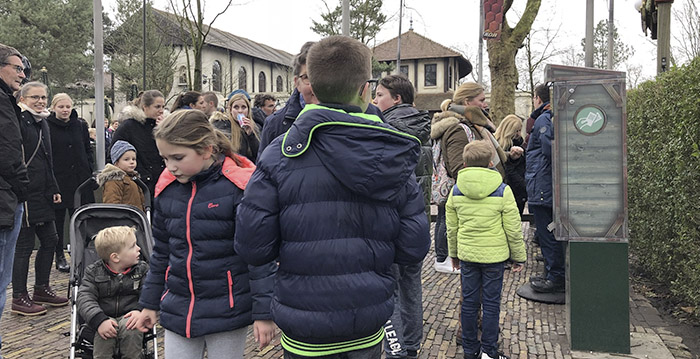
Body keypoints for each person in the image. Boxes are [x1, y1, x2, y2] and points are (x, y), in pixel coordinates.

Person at [235, 35, 430, 358]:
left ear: (310, 83)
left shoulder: (278, 154)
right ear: (365, 88)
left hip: (304, 324)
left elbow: (252, 245)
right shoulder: (393, 154)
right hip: (366, 321)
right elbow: (413, 247)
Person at [131, 110, 276, 359]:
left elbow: (258, 256)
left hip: (227, 308)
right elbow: (162, 253)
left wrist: (264, 313)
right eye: (165, 159)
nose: (170, 167)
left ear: (207, 150)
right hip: (179, 306)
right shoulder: (167, 190)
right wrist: (150, 303)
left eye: (178, 157)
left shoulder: (238, 188)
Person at [445, 140, 526, 359]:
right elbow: (513, 229)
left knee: (470, 303)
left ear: (464, 164)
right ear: (491, 163)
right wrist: (518, 256)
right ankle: (489, 351)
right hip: (494, 257)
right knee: (491, 304)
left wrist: (453, 254)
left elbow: (452, 228)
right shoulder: (502, 190)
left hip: (468, 255)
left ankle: (470, 351)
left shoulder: (456, 191)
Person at [372, 74, 431, 359]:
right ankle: (411, 345)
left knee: (390, 288)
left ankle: (394, 350)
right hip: (418, 220)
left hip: (392, 221)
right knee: (412, 285)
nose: (374, 100)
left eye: (380, 94)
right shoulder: (425, 126)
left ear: (396, 98)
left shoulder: (385, 130)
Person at [430, 82, 507, 274]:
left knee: (445, 218)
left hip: (460, 185)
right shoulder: (458, 128)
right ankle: (443, 259)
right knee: (445, 219)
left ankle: (446, 257)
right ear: (467, 101)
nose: (485, 104)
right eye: (481, 100)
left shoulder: (469, 124)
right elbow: (457, 164)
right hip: (457, 185)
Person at [12, 81, 69, 316]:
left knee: (50, 239)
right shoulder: (19, 122)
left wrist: (53, 186)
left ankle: (41, 289)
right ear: (23, 100)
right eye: (35, 97)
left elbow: (48, 159)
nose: (41, 102)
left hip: (43, 193)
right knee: (24, 246)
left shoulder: (42, 122)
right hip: (25, 193)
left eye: (44, 97)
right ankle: (19, 296)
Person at [76, 226, 148, 359]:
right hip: (102, 316)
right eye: (133, 246)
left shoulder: (141, 270)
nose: (139, 248)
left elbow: (148, 293)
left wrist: (140, 310)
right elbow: (84, 298)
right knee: (106, 331)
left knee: (131, 327)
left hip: (131, 316)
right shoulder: (93, 272)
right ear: (115, 257)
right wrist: (98, 319)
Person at [0, 43, 30, 356]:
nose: (22, 73)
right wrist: (23, 190)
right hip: (5, 203)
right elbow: (9, 155)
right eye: (16, 67)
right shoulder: (3, 102)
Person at [46, 93, 94, 273]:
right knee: (58, 221)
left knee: (82, 219)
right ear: (54, 108)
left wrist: (89, 171)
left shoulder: (80, 125)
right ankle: (59, 255)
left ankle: (82, 254)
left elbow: (87, 149)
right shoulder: (47, 126)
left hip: (80, 180)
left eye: (67, 107)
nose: (65, 110)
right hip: (59, 179)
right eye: (61, 107)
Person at [526, 83, 564, 293]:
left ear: (538, 98)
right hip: (546, 184)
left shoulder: (543, 118)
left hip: (542, 185)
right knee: (550, 231)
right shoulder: (553, 116)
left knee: (548, 232)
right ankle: (553, 272)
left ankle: (555, 278)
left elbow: (549, 148)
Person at [257, 41, 315, 158]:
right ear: (296, 82)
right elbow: (263, 171)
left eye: (319, 77)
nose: (315, 84)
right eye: (307, 77)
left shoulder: (347, 118)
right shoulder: (274, 124)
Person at [111, 90, 166, 197]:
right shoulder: (129, 127)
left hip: (161, 181)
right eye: (157, 107)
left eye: (163, 107)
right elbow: (113, 155)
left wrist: (163, 131)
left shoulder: (163, 126)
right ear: (145, 107)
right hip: (138, 183)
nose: (161, 110)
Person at [97, 140, 145, 211]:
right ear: (116, 163)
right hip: (123, 219)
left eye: (133, 159)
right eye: (126, 159)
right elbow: (112, 204)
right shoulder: (114, 181)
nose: (131, 162)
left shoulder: (134, 178)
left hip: (135, 218)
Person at [494, 114, 527, 215]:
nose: (518, 133)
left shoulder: (520, 144)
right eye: (516, 130)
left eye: (519, 130)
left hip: (517, 190)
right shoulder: (499, 146)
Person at [222, 92, 260, 163]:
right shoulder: (224, 126)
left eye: (243, 107)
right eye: (236, 107)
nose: (240, 111)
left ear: (248, 110)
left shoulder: (254, 127)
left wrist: (251, 135)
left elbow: (258, 155)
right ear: (230, 110)